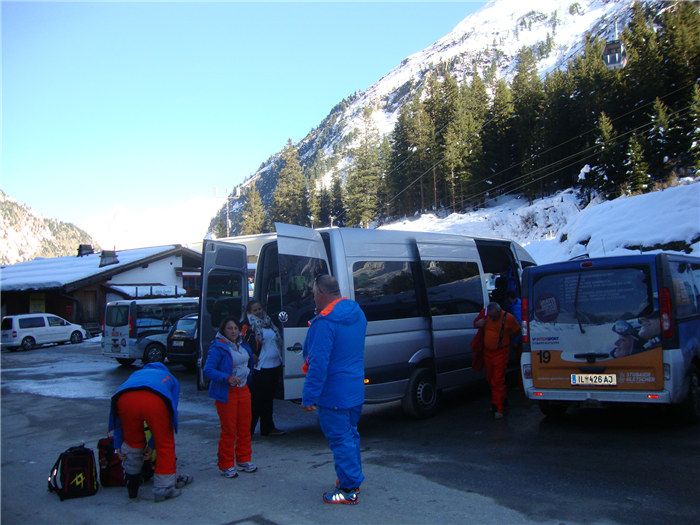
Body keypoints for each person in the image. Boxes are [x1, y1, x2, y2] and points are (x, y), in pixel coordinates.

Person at [301, 274, 367, 505]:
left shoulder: (324, 322)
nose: (313, 298)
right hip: (354, 389)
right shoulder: (357, 312)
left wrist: (308, 397)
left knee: (341, 440)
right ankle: (351, 479)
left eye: (313, 293)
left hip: (333, 393)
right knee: (350, 435)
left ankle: (348, 489)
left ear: (320, 293)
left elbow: (318, 364)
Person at [108, 362, 193, 502]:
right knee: (165, 444)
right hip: (156, 399)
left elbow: (117, 418)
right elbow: (171, 413)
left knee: (132, 441)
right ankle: (163, 489)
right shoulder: (170, 378)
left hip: (124, 398)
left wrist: (117, 444)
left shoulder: (136, 374)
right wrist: (153, 444)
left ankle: (132, 485)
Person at [204, 316, 258, 478]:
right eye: (229, 328)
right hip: (227, 392)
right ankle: (226, 464)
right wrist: (227, 378)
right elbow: (208, 370)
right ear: (223, 330)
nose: (233, 331)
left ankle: (243, 459)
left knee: (244, 428)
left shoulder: (242, 344)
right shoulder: (217, 347)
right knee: (229, 430)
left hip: (244, 389)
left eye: (235, 328)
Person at [241, 299, 285, 436]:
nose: (258, 312)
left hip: (274, 366)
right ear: (249, 312)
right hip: (260, 367)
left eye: (259, 309)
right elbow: (244, 343)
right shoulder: (248, 326)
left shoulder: (269, 322)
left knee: (268, 399)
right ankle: (248, 430)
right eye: (255, 310)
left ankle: (267, 428)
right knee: (256, 400)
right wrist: (252, 354)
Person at [474, 302, 520, 419]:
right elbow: (476, 322)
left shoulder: (508, 318)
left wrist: (509, 338)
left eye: (495, 316)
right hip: (487, 353)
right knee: (491, 380)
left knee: (497, 381)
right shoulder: (484, 313)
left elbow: (518, 330)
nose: (492, 318)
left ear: (500, 312)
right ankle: (502, 400)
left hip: (500, 353)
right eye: (491, 316)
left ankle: (497, 408)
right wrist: (477, 324)